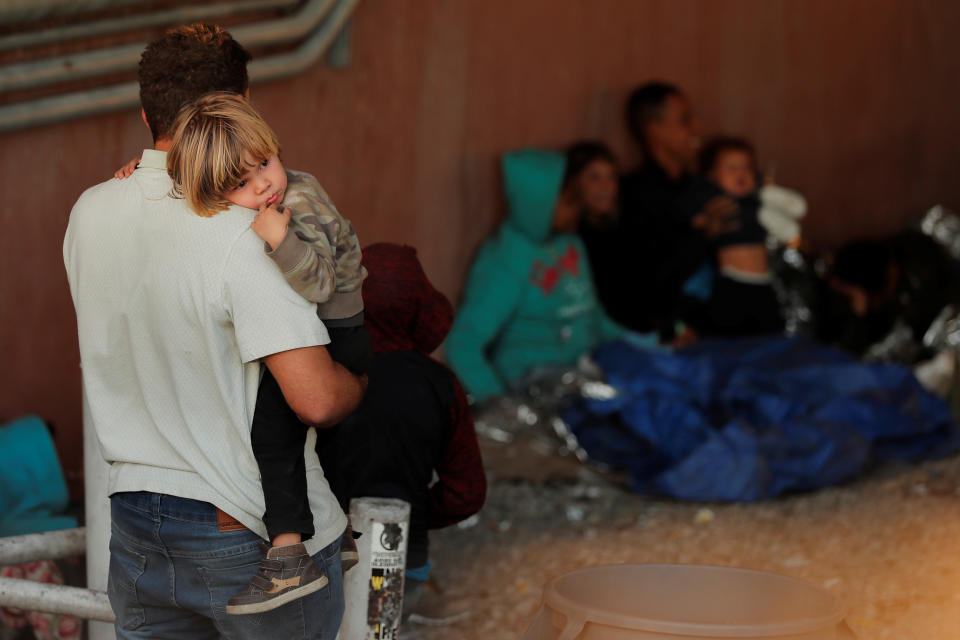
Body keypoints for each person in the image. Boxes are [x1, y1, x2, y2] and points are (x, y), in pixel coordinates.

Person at [63, 24, 364, 639]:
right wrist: (358, 382)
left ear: (146, 112)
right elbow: (316, 398)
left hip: (136, 525)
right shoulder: (249, 229)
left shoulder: (89, 210)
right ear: (241, 103)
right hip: (246, 530)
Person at [160, 92, 370, 614]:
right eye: (241, 183)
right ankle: (330, 534)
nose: (263, 184)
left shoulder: (301, 203)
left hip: (338, 331)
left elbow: (320, 283)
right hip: (315, 332)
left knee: (272, 436)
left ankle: (288, 552)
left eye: (266, 164)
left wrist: (281, 240)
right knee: (308, 443)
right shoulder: (259, 199)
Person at [316, 243, 486, 612]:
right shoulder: (440, 385)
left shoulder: (319, 377)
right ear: (418, 307)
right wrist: (418, 510)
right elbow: (466, 493)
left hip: (323, 554)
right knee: (380, 628)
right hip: (401, 555)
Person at [445, 148, 626, 403]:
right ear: (539, 203)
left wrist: (645, 345)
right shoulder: (506, 259)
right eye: (568, 203)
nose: (576, 211)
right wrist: (502, 406)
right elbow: (463, 344)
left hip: (587, 363)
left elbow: (592, 315)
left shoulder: (568, 242)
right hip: (537, 379)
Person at [614, 81, 738, 336]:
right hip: (669, 330)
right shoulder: (636, 196)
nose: (696, 129)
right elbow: (645, 280)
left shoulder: (700, 186)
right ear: (654, 130)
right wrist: (702, 234)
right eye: (685, 120)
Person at [676, 136, 783, 336]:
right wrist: (703, 220)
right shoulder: (715, 203)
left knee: (771, 335)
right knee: (728, 336)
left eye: (747, 167)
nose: (741, 174)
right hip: (732, 283)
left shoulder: (757, 202)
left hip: (764, 282)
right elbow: (688, 215)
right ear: (712, 176)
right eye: (731, 169)